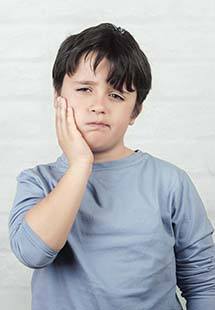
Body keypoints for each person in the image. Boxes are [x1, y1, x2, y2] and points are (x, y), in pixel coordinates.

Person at [8, 22, 215, 310]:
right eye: (84, 89)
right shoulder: (38, 182)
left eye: (116, 95)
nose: (99, 105)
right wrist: (80, 164)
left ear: (135, 111)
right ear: (58, 98)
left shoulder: (170, 183)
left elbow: (204, 283)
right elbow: (33, 253)